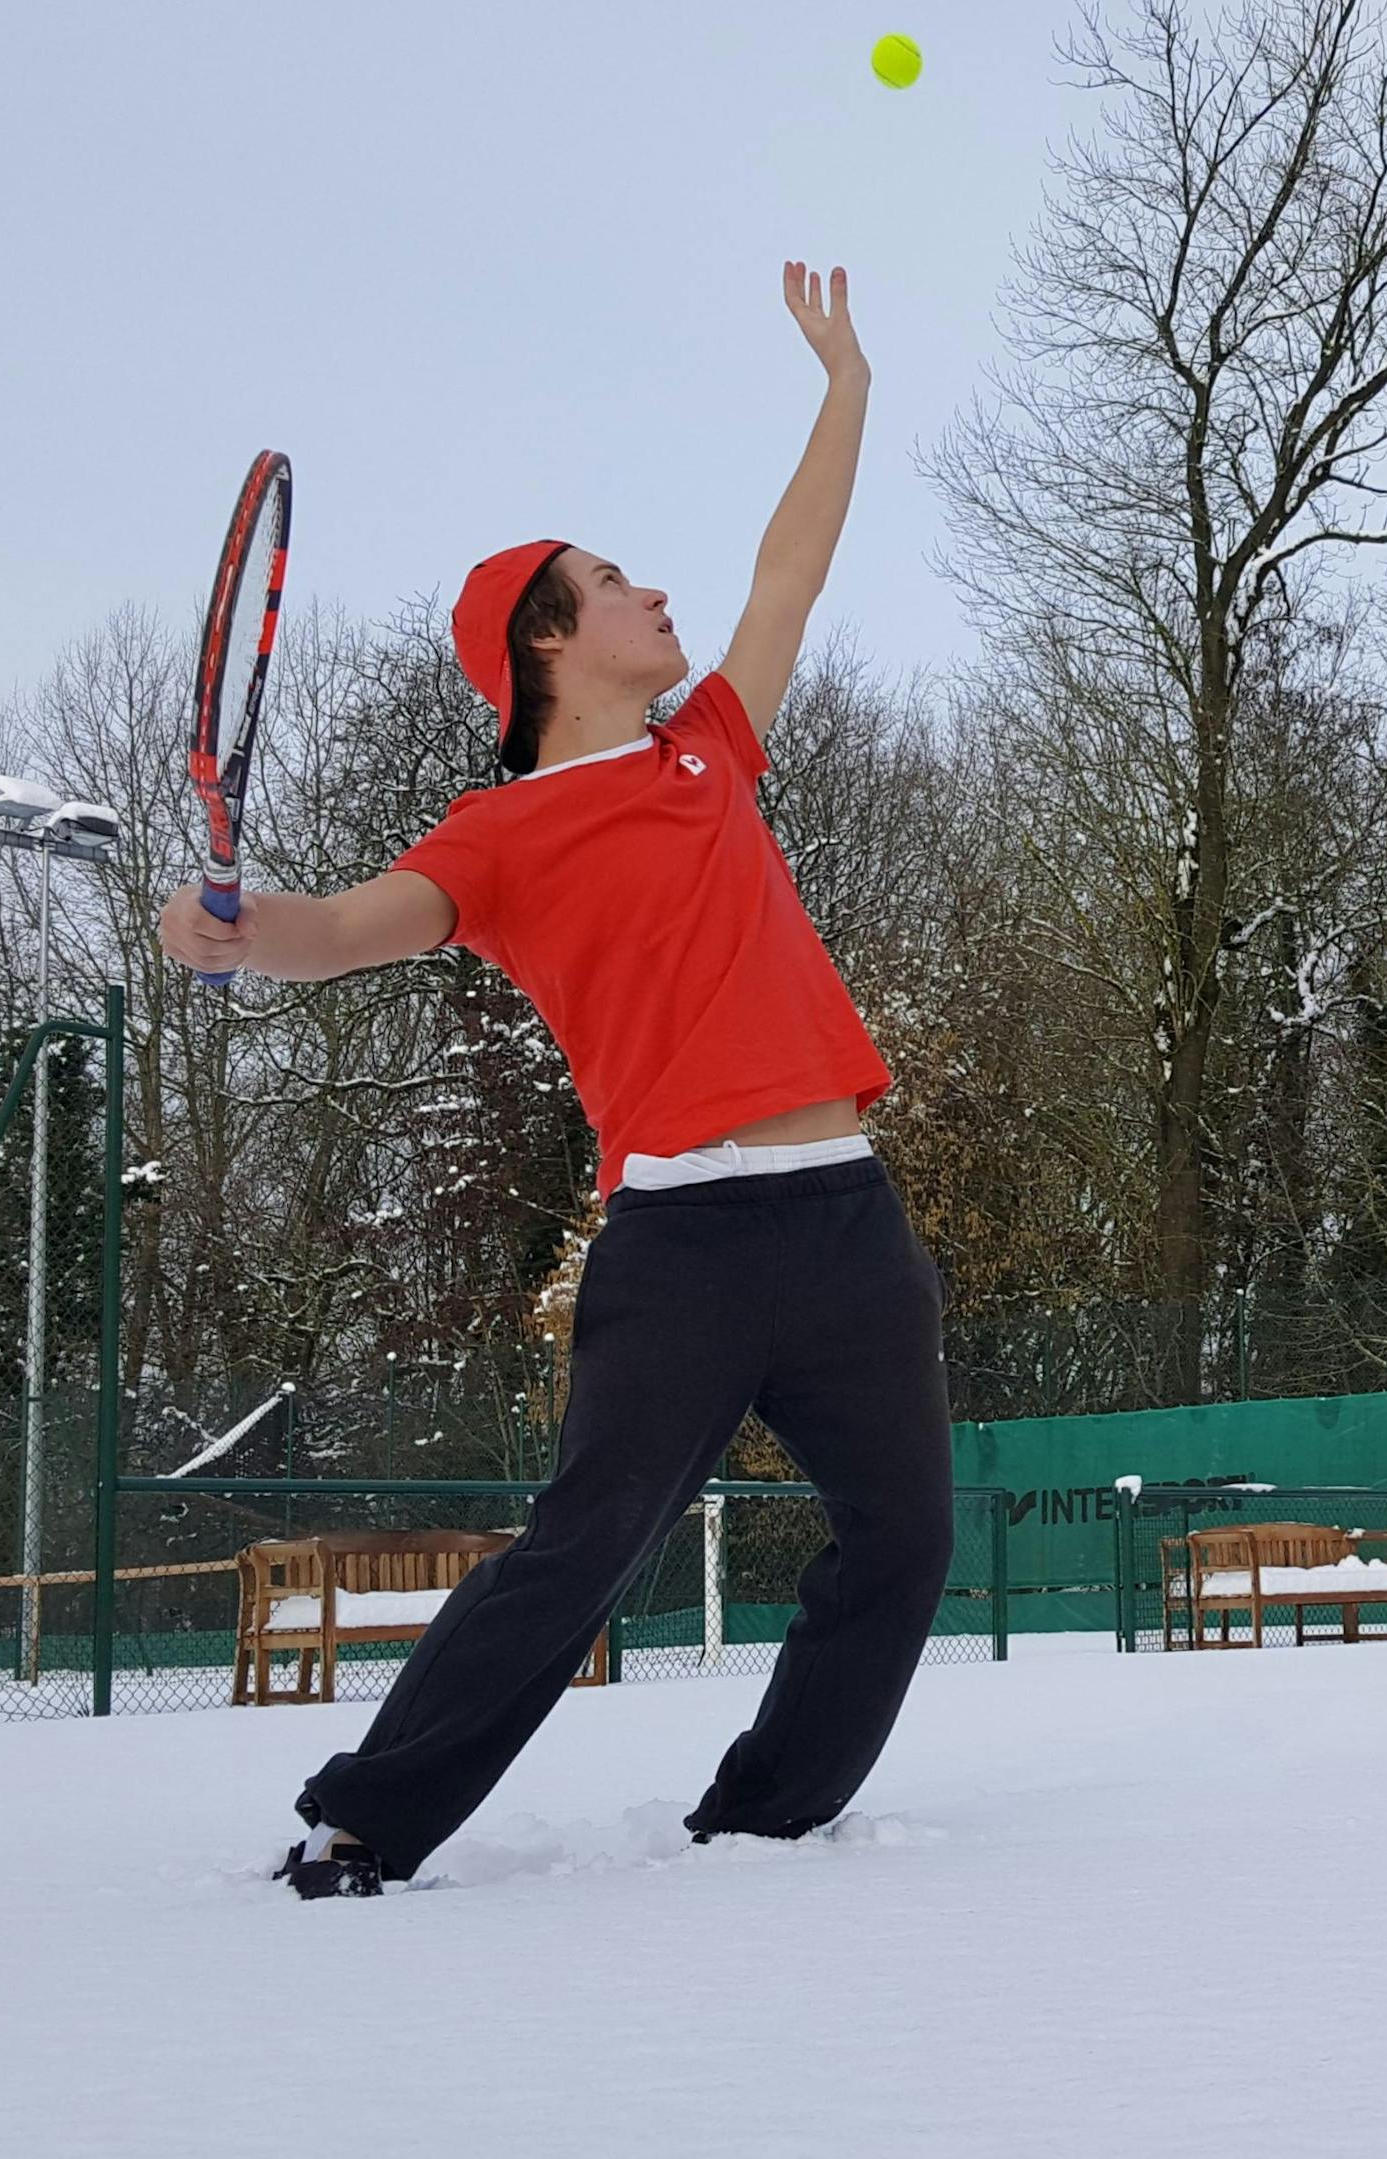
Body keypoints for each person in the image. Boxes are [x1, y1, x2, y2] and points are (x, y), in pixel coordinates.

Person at [156, 264, 951, 1900]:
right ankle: (368, 1815)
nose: (653, 595)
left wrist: (846, 385)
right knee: (585, 1549)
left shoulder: (711, 743)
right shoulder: (493, 836)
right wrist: (240, 934)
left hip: (846, 1224)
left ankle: (766, 1825)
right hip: (684, 1251)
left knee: (907, 1541)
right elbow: (341, 931)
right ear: (544, 637)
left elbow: (788, 570)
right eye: (612, 581)